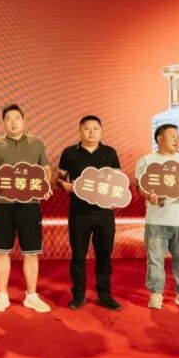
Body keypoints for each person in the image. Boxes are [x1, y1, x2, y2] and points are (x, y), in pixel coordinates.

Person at [0, 104, 52, 314]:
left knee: (31, 252)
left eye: (17, 118)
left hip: (30, 205)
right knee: (2, 252)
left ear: (23, 120)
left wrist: (45, 185)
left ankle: (31, 295)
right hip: (3, 205)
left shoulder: (36, 144)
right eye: (8, 119)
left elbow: (46, 170)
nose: (13, 122)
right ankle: (2, 295)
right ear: (4, 123)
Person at [57, 115, 122, 310]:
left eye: (95, 128)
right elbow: (59, 179)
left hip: (104, 213)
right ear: (80, 130)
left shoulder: (109, 152)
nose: (91, 132)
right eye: (87, 128)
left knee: (104, 256)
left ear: (101, 131)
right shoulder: (69, 153)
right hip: (79, 213)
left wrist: (117, 196)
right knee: (78, 256)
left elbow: (119, 180)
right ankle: (78, 295)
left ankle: (104, 294)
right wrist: (64, 185)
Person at [132, 123, 179, 311]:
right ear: (160, 139)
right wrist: (148, 195)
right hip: (157, 221)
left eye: (178, 137)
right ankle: (156, 293)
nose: (177, 140)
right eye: (172, 137)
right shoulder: (146, 161)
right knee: (155, 259)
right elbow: (139, 186)